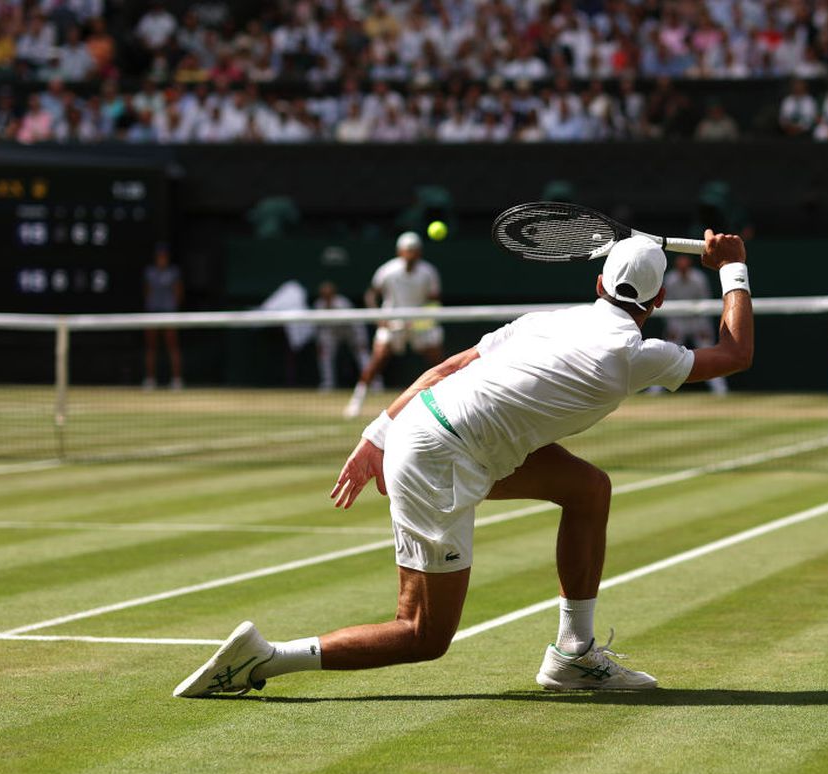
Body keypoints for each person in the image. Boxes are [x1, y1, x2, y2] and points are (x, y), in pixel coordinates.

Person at [173, 229, 753, 697]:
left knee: (587, 488)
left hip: (429, 428)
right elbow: (735, 352)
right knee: (422, 634)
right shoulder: (632, 353)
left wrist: (378, 433)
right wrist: (733, 267)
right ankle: (264, 661)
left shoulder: (548, 320)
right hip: (442, 459)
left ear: (598, 281)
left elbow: (446, 368)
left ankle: (574, 655)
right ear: (659, 301)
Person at [344, 231, 443, 418]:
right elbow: (371, 294)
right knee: (378, 359)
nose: (410, 254)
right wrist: (379, 318)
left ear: (419, 252)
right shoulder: (387, 271)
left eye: (414, 250)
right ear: (400, 252)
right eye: (407, 250)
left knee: (438, 361)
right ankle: (356, 401)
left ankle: (447, 399)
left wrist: (424, 321)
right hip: (392, 321)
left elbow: (434, 300)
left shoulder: (428, 272)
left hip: (419, 323)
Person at [656, 254, 728, 395]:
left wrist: (704, 327)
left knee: (709, 353)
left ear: (689, 266)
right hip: (678, 322)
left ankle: (721, 391)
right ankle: (654, 391)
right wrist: (671, 327)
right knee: (667, 355)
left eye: (685, 267)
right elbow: (666, 305)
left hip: (697, 322)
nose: (683, 269)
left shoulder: (699, 279)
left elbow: (706, 303)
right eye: (680, 267)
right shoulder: (670, 280)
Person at [313, 281, 370, 391]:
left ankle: (373, 383)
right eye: (324, 295)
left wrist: (361, 340)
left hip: (350, 331)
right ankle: (328, 383)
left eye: (329, 294)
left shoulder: (343, 303)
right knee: (324, 354)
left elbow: (356, 324)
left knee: (362, 354)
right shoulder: (318, 305)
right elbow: (319, 328)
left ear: (333, 293)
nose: (326, 297)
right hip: (331, 333)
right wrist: (319, 343)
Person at [143, 243, 183, 390]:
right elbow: (147, 292)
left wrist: (172, 308)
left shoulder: (173, 273)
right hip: (153, 313)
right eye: (159, 256)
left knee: (173, 346)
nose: (162, 259)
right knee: (151, 347)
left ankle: (177, 380)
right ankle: (150, 380)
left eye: (164, 256)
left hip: (169, 313)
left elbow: (178, 292)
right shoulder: (150, 272)